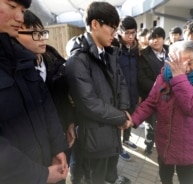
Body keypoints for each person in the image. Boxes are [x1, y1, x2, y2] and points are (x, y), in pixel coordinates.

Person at [132, 40, 193, 184]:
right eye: (179, 62)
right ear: (170, 60)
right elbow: (150, 102)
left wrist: (179, 78)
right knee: (165, 177)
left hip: (191, 148)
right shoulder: (163, 77)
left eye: (190, 61)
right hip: (165, 142)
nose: (185, 68)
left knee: (188, 180)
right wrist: (133, 120)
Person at [0, 0, 68, 183]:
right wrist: (39, 175)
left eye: (22, 10)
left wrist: (57, 147)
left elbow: (45, 106)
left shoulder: (22, 59)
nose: (19, 17)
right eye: (12, 6)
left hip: (47, 164)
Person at [65, 2, 132, 184]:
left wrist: (125, 110)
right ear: (95, 24)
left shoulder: (109, 53)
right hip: (94, 137)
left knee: (108, 170)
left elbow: (122, 83)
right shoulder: (78, 60)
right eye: (112, 27)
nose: (114, 34)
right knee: (94, 177)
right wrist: (120, 117)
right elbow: (88, 103)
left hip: (111, 129)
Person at [16, 10, 76, 183]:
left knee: (62, 174)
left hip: (60, 135)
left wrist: (70, 123)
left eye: (42, 32)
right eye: (35, 34)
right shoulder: (15, 72)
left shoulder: (54, 61)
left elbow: (64, 98)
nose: (42, 38)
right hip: (34, 146)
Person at [137, 27, 169, 155]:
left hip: (170, 96)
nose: (154, 41)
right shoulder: (143, 55)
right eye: (151, 38)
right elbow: (141, 78)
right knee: (151, 124)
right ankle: (149, 145)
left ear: (163, 38)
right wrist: (161, 88)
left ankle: (164, 144)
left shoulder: (172, 52)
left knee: (166, 122)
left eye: (157, 37)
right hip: (151, 95)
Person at [112, 15, 139, 161]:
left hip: (133, 94)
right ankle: (119, 147)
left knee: (131, 118)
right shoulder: (115, 49)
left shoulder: (136, 50)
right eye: (127, 33)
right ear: (119, 32)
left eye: (133, 33)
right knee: (119, 123)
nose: (130, 36)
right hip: (119, 96)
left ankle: (126, 139)